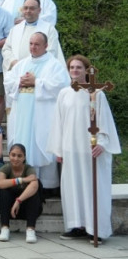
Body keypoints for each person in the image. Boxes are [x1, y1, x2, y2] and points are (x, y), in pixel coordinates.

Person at [48, 55, 121, 241]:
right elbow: (59, 122)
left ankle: (97, 229)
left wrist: (102, 143)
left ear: (86, 70)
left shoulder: (96, 93)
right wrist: (59, 149)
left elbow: (105, 120)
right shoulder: (64, 93)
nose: (74, 70)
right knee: (73, 188)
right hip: (71, 148)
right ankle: (77, 225)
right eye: (72, 67)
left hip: (91, 150)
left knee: (93, 188)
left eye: (78, 67)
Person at [4, 32, 69, 191]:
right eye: (31, 44)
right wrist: (19, 82)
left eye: (37, 44)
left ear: (46, 46)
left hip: (42, 114)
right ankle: (22, 183)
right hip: (22, 114)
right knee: (23, 143)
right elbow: (8, 80)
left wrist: (36, 82)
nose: (33, 47)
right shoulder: (22, 64)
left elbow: (61, 86)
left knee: (42, 145)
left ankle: (44, 185)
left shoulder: (54, 65)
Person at [1, 0, 64, 71]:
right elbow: (6, 49)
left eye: (32, 8)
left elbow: (51, 51)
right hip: (17, 70)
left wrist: (32, 66)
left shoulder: (49, 29)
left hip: (39, 71)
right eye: (25, 8)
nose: (28, 11)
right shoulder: (15, 29)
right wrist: (14, 62)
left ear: (39, 10)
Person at [0, 143, 42, 243]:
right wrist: (21, 180)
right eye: (13, 155)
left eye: (19, 156)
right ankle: (4, 228)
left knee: (33, 194)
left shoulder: (29, 169)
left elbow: (34, 185)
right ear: (9, 155)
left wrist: (18, 201)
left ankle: (30, 229)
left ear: (24, 157)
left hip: (26, 208)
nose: (16, 158)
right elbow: (0, 183)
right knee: (3, 192)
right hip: (10, 209)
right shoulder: (5, 168)